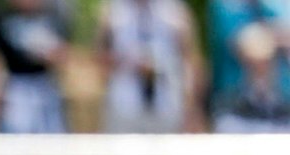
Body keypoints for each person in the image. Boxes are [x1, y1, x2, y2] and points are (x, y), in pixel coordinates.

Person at [99, 0, 205, 133]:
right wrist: (127, 61)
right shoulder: (113, 11)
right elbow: (99, 60)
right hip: (125, 107)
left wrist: (193, 109)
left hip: (166, 106)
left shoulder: (175, 10)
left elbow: (190, 60)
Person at [0, 0, 71, 133]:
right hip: (16, 87)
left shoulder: (50, 19)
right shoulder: (3, 21)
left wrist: (50, 55)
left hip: (44, 86)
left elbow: (65, 55)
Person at [215, 22, 290, 130]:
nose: (261, 70)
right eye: (253, 64)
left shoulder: (283, 106)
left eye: (266, 63)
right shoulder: (228, 108)